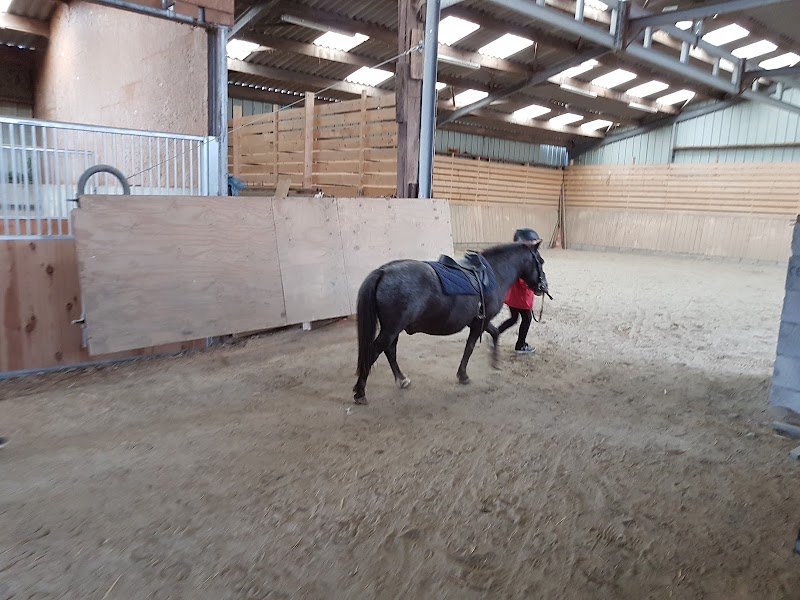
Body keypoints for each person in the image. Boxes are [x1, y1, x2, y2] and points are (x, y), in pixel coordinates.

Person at [498, 228, 540, 354]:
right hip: (521, 298)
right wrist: (535, 287)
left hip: (512, 297)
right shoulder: (524, 260)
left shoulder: (513, 256)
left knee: (513, 318)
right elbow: (525, 281)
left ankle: (495, 332)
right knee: (526, 319)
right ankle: (520, 345)